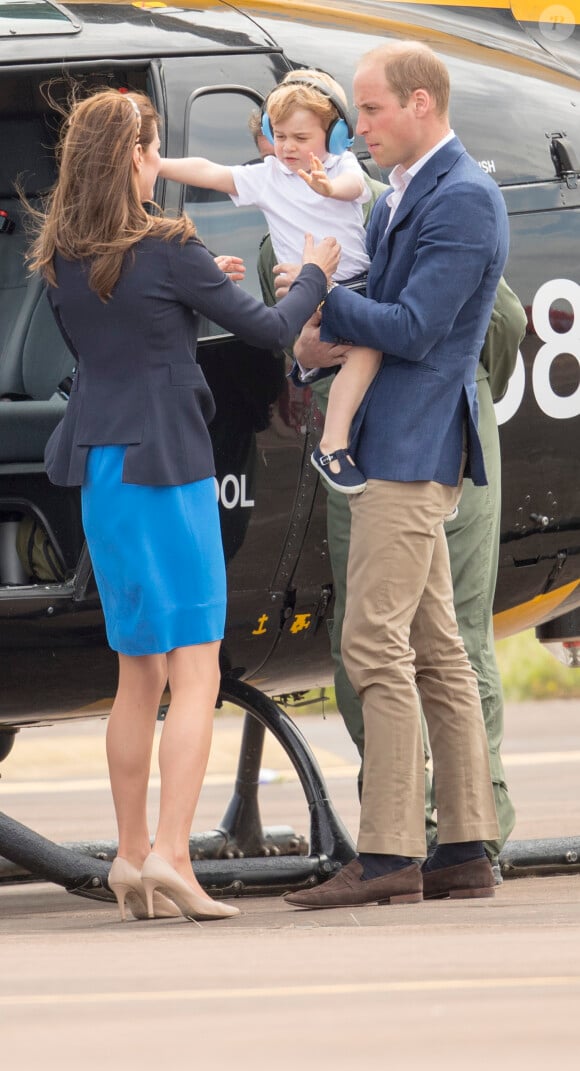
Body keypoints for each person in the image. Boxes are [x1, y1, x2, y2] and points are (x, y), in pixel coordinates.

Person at [28, 88, 339, 923]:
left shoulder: (62, 249)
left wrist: (206, 281)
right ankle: (173, 854)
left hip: (101, 466)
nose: (156, 161)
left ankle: (129, 856)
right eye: (152, 148)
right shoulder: (166, 244)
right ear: (131, 158)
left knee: (138, 672)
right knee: (196, 666)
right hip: (167, 466)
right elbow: (274, 331)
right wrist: (316, 271)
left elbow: (133, 326)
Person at [284, 41, 509, 910]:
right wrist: (322, 337)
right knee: (438, 653)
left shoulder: (462, 198)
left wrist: (314, 292)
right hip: (398, 442)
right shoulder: (410, 193)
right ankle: (463, 844)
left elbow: (413, 327)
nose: (359, 126)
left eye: (371, 111)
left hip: (410, 450)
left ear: (421, 104)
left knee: (373, 644)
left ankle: (386, 854)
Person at [159, 70, 382, 495]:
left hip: (359, 286)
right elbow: (210, 171)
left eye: (300, 137)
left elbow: (355, 187)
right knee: (366, 353)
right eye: (279, 136)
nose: (288, 147)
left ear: (334, 136)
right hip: (326, 293)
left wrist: (328, 187)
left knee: (371, 356)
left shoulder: (342, 167)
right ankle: (334, 445)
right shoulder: (267, 177)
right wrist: (157, 163)